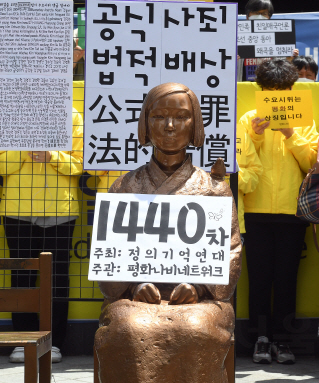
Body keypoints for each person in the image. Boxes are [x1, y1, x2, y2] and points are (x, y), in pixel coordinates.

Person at [95, 83, 241, 383]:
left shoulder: (215, 189)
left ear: (195, 124)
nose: (170, 126)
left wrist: (199, 287)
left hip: (199, 301)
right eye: (159, 116)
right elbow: (111, 256)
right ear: (145, 123)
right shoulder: (124, 187)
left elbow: (231, 251)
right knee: (129, 329)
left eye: (181, 117)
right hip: (136, 300)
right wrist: (134, 285)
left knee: (197, 329)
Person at [238, 59, 319, 365]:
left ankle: (283, 341)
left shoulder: (303, 119)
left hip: (292, 211)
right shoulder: (248, 119)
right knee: (258, 278)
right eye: (269, 90)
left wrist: (289, 133)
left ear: (291, 89)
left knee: (287, 278)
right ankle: (260, 339)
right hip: (256, 211)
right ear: (261, 91)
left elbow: (312, 163)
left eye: (282, 89)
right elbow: (242, 165)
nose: (275, 95)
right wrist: (257, 136)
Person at [2, 108, 84, 364]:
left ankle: (55, 341)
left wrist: (52, 156)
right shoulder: (10, 114)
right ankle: (22, 340)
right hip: (18, 209)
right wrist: (23, 152)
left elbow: (81, 165)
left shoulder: (72, 115)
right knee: (21, 274)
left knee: (57, 276)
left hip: (60, 209)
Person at [239, 0, 299, 81]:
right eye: (256, 13)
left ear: (269, 17)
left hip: (269, 88)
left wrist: (288, 59)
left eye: (264, 14)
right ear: (247, 16)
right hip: (242, 88)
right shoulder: (236, 37)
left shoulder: (278, 39)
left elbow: (282, 70)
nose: (260, 16)